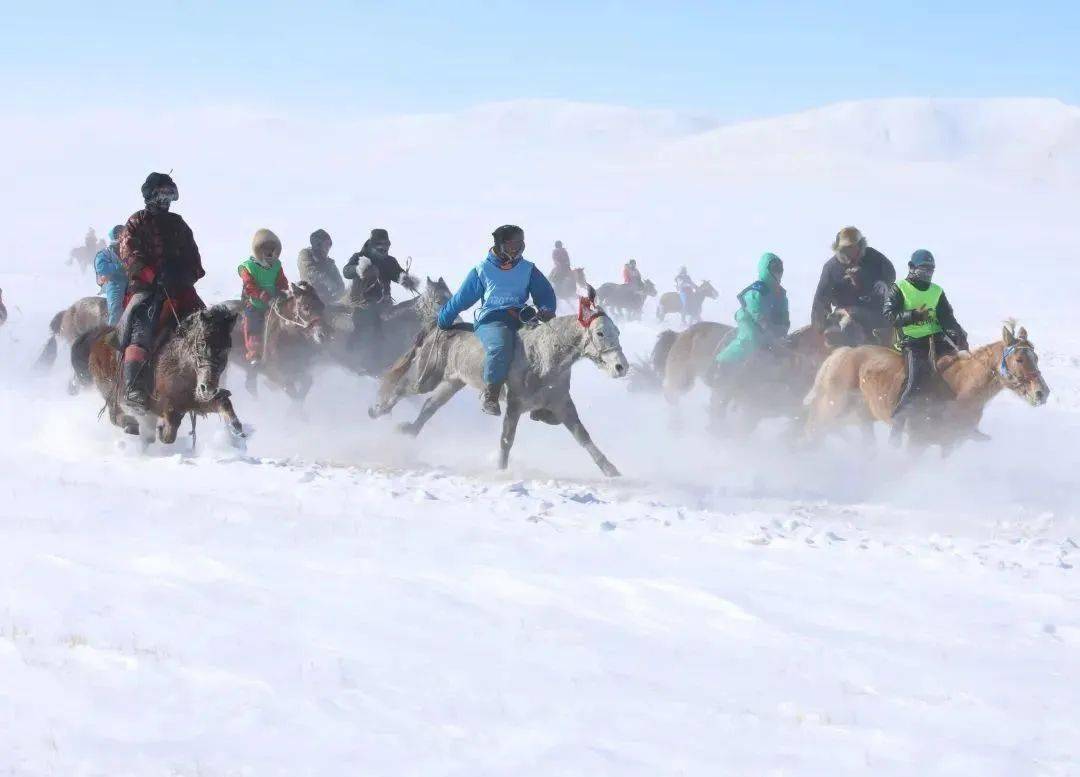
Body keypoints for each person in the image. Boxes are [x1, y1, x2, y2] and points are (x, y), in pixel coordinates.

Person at [437, 225, 557, 415]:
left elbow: (545, 293)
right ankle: (491, 396)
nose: (517, 248)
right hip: (492, 319)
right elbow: (461, 299)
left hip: (522, 318)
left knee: (545, 345)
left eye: (520, 243)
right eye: (512, 245)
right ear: (500, 245)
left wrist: (546, 309)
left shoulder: (528, 269)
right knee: (501, 346)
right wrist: (444, 319)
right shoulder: (482, 270)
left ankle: (541, 400)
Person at [117, 172, 205, 411]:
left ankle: (209, 379)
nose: (165, 198)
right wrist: (152, 275)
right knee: (141, 327)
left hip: (179, 287)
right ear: (150, 195)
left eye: (169, 193)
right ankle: (133, 386)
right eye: (161, 193)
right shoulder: (137, 221)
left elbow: (195, 259)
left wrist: (185, 275)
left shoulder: (179, 223)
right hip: (147, 288)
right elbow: (128, 254)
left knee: (205, 322)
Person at [883, 249, 968, 434]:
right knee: (914, 382)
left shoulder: (937, 291)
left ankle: (960, 424)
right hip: (912, 342)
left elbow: (947, 317)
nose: (927, 273)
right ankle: (898, 421)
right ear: (912, 268)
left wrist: (957, 332)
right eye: (924, 269)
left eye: (931, 270)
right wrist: (913, 315)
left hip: (937, 339)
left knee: (959, 374)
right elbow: (889, 315)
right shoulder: (900, 288)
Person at [811, 226, 896, 344]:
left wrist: (884, 283)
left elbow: (890, 272)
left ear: (860, 245)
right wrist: (820, 326)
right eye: (846, 249)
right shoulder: (831, 267)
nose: (850, 252)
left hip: (875, 312)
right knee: (846, 323)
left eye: (852, 247)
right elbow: (820, 300)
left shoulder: (873, 257)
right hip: (845, 312)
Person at [712, 252, 790, 375]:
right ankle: (722, 363)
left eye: (780, 269)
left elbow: (784, 313)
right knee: (750, 338)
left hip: (770, 327)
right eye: (775, 269)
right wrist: (768, 329)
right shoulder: (758, 289)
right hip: (749, 320)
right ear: (766, 269)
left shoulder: (780, 293)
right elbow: (756, 312)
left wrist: (783, 327)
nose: (778, 273)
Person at [342, 228, 418, 348]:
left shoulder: (389, 261)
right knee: (369, 328)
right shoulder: (360, 257)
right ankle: (356, 355)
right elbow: (346, 271)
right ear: (373, 244)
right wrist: (359, 269)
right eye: (380, 245)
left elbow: (396, 273)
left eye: (386, 244)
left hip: (384, 305)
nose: (384, 248)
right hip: (362, 305)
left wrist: (405, 279)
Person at [239, 229, 289, 365]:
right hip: (255, 304)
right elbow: (249, 286)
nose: (269, 252)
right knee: (253, 323)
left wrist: (282, 292)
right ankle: (254, 353)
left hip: (275, 304)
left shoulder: (277, 265)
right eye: (265, 249)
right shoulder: (247, 267)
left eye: (271, 249)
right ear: (258, 250)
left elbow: (282, 282)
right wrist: (264, 296)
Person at [297, 229, 344, 304]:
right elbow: (309, 272)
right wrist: (327, 281)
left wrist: (338, 292)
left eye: (329, 245)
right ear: (318, 244)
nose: (328, 248)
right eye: (325, 245)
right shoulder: (305, 254)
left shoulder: (330, 263)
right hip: (310, 298)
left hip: (329, 301)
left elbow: (340, 284)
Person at [94, 225, 128, 325]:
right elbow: (101, 268)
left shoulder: (129, 249)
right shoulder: (105, 253)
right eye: (119, 233)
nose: (122, 235)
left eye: (123, 232)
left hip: (132, 281)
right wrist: (119, 266)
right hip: (116, 283)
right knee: (116, 308)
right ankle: (112, 332)